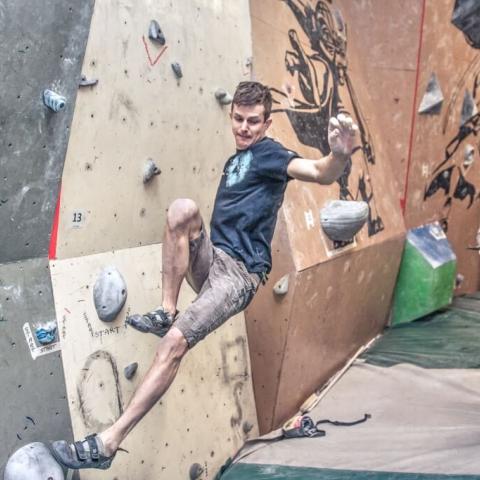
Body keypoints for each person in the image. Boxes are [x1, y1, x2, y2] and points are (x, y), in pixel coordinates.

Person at [50, 81, 358, 470]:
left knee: (173, 346)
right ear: (232, 116)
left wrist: (339, 155)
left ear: (266, 123)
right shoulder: (235, 160)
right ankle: (167, 309)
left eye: (253, 122)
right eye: (239, 120)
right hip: (212, 259)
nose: (245, 128)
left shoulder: (270, 154)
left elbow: (317, 171)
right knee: (182, 209)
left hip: (238, 276)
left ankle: (107, 444)